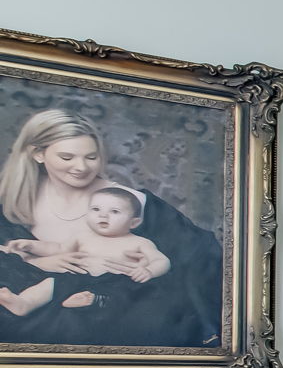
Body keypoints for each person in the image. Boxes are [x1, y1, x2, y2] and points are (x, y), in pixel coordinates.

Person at [0, 109, 222, 347]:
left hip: (110, 315)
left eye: (91, 157)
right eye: (67, 157)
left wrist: (149, 268)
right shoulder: (11, 198)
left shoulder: (130, 202)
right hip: (31, 315)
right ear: (38, 154)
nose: (82, 167)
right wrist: (38, 263)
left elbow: (201, 262)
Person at [0, 186, 170, 317]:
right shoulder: (83, 237)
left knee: (127, 294)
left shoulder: (139, 242)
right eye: (96, 209)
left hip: (115, 281)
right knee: (52, 283)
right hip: (79, 278)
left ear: (134, 222)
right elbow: (57, 249)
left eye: (115, 212)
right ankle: (23, 303)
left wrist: (148, 271)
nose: (103, 216)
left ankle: (93, 300)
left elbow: (161, 261)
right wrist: (31, 246)